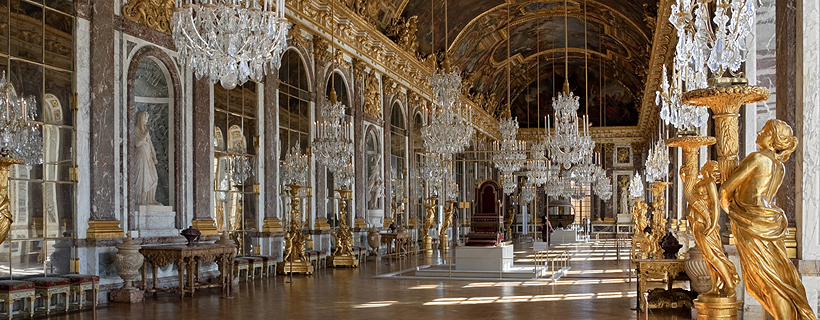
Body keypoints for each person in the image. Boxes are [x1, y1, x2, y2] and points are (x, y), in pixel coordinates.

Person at [720, 119, 815, 319]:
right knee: (776, 279)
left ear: (772, 139)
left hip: (751, 222)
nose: (759, 133)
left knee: (766, 281)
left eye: (764, 131)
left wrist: (732, 212)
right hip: (771, 221)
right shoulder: (780, 167)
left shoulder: (756, 158)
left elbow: (726, 189)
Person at [686, 161, 739, 297]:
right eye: (714, 170)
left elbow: (715, 205)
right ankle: (715, 286)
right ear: (706, 169)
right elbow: (689, 192)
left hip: (706, 223)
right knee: (706, 257)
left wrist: (713, 224)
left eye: (717, 171)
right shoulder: (699, 183)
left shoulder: (709, 183)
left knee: (713, 256)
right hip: (697, 222)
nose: (716, 174)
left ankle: (730, 286)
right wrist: (683, 172)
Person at [133, 111, 160, 205]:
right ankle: (141, 200)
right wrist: (145, 135)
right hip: (141, 156)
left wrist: (153, 154)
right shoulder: (136, 129)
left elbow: (150, 144)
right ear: (140, 119)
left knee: (154, 177)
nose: (146, 121)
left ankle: (151, 199)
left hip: (148, 156)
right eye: (145, 119)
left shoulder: (145, 130)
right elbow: (137, 143)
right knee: (143, 178)